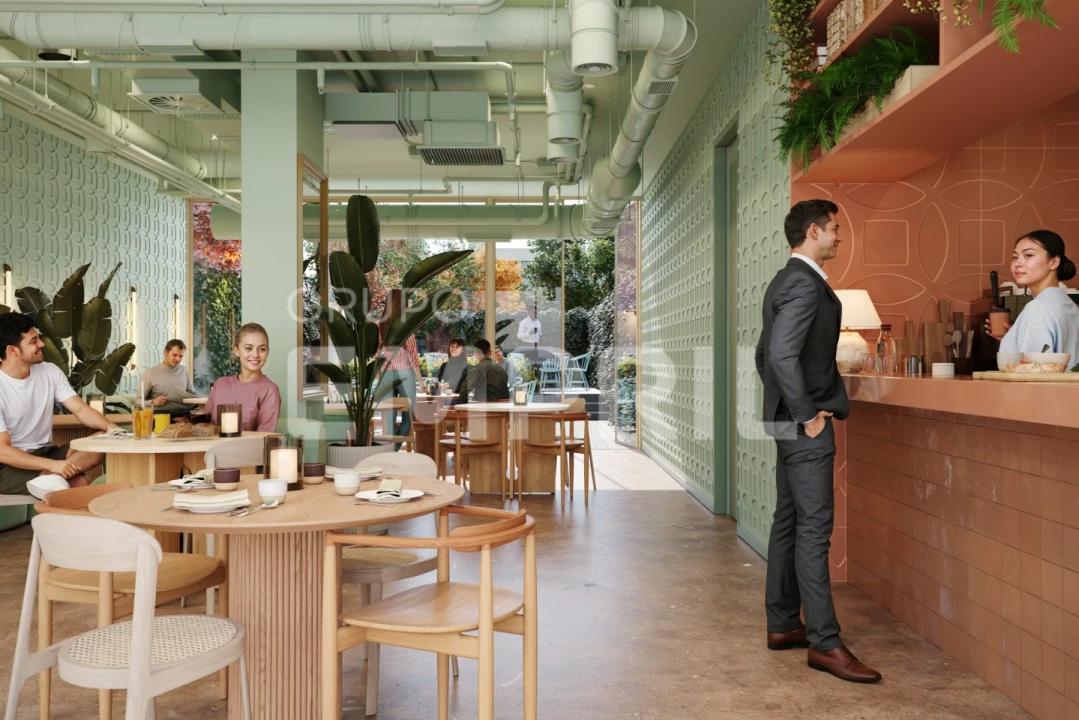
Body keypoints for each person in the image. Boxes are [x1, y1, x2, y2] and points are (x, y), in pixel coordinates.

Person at [754, 199, 881, 683]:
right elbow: (779, 355)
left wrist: (784, 409)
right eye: (834, 229)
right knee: (813, 529)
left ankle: (784, 623)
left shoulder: (782, 280)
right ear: (813, 231)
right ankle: (825, 644)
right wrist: (807, 415)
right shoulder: (805, 284)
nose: (838, 236)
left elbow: (765, 355)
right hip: (804, 427)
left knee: (788, 521)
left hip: (784, 422)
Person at [0, 312, 117, 494]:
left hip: (45, 452)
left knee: (103, 440)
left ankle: (49, 479)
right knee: (78, 482)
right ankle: (51, 479)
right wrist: (52, 465)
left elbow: (80, 409)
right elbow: (2, 450)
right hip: (7, 466)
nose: (42, 344)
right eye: (33, 341)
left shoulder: (49, 371)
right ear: (12, 350)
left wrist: (112, 429)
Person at [985, 230, 1079, 364]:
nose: (1018, 263)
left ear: (1054, 262)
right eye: (1015, 257)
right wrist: (1014, 339)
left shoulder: (1038, 308)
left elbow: (1032, 370)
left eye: (1028, 255)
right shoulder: (1070, 306)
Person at [204, 323, 281, 433]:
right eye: (248, 348)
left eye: (262, 349)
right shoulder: (220, 384)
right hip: (212, 444)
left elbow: (264, 435)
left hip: (249, 445)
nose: (255, 355)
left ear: (267, 352)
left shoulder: (269, 390)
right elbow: (204, 426)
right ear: (236, 350)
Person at [378, 289, 423, 448]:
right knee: (410, 415)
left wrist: (378, 378)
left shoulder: (379, 326)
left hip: (385, 373)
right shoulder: (406, 327)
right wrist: (421, 382)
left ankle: (389, 452)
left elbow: (376, 355)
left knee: (388, 418)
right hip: (404, 373)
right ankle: (393, 450)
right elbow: (413, 357)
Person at [142, 339, 198, 417]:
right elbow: (138, 401)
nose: (178, 359)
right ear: (165, 352)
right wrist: (152, 402)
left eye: (181, 356)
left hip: (183, 415)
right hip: (159, 417)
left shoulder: (184, 371)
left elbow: (193, 394)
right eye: (174, 355)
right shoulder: (149, 374)